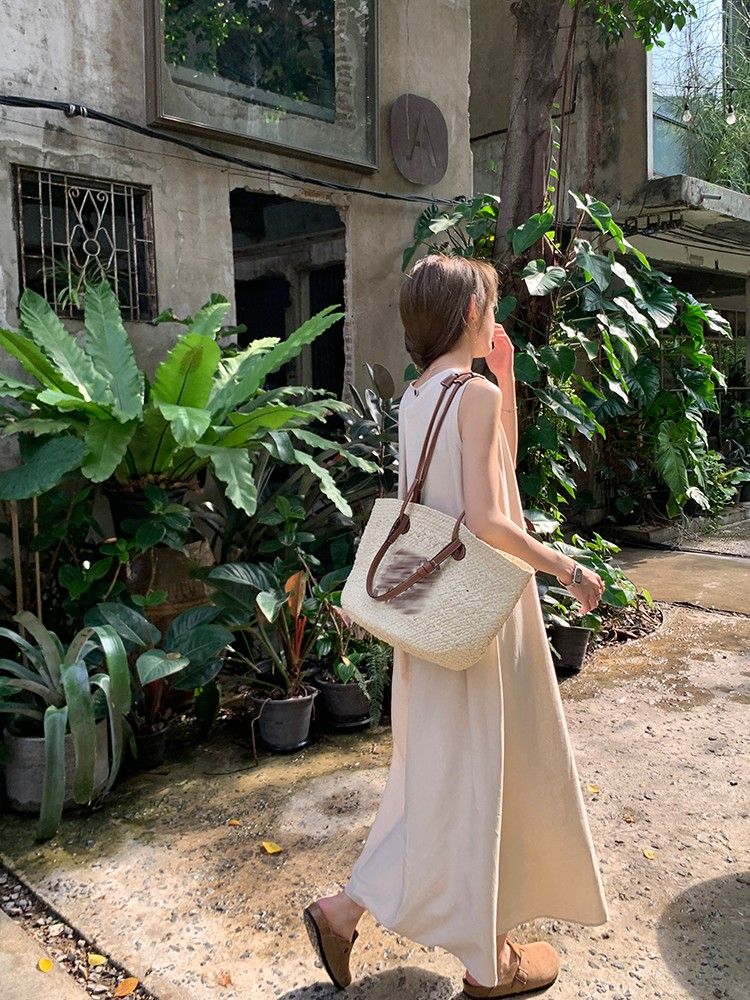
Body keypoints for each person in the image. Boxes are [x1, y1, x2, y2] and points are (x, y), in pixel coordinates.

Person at [303, 254, 609, 997]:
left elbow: (492, 472)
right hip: (477, 615)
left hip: (431, 614)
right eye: (490, 304)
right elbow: (491, 520)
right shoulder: (466, 396)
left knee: (438, 778)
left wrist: (504, 382)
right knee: (481, 776)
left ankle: (350, 912)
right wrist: (568, 569)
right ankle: (485, 962)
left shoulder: (421, 396)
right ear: (469, 312)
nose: (494, 315)